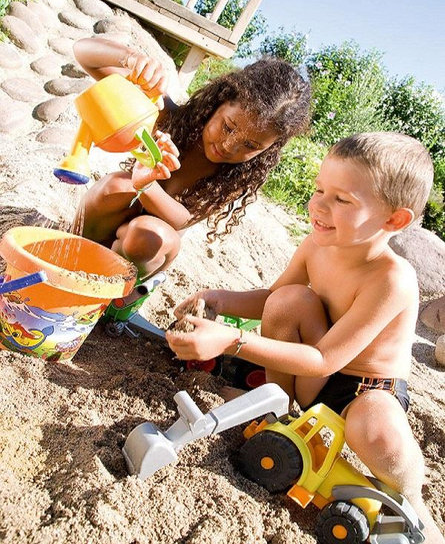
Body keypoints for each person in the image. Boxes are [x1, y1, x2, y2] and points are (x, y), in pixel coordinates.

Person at [166, 132, 444, 543]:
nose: (317, 205)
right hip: (312, 373)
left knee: (376, 430)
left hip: (365, 387)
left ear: (394, 220)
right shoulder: (318, 243)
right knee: (288, 301)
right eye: (319, 190)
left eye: (342, 200)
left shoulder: (391, 279)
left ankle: (412, 498)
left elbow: (324, 359)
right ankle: (276, 411)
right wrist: (219, 300)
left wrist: (231, 341)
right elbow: (270, 300)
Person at [72, 38, 311, 279]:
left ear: (268, 149)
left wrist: (145, 185)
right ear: (220, 102)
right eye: (227, 127)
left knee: (145, 234)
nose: (228, 146)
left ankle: (117, 298)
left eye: (250, 145)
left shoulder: (235, 176)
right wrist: (130, 59)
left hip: (146, 252)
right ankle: (72, 252)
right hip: (104, 227)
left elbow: (182, 219)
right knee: (115, 186)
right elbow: (83, 54)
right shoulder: (172, 120)